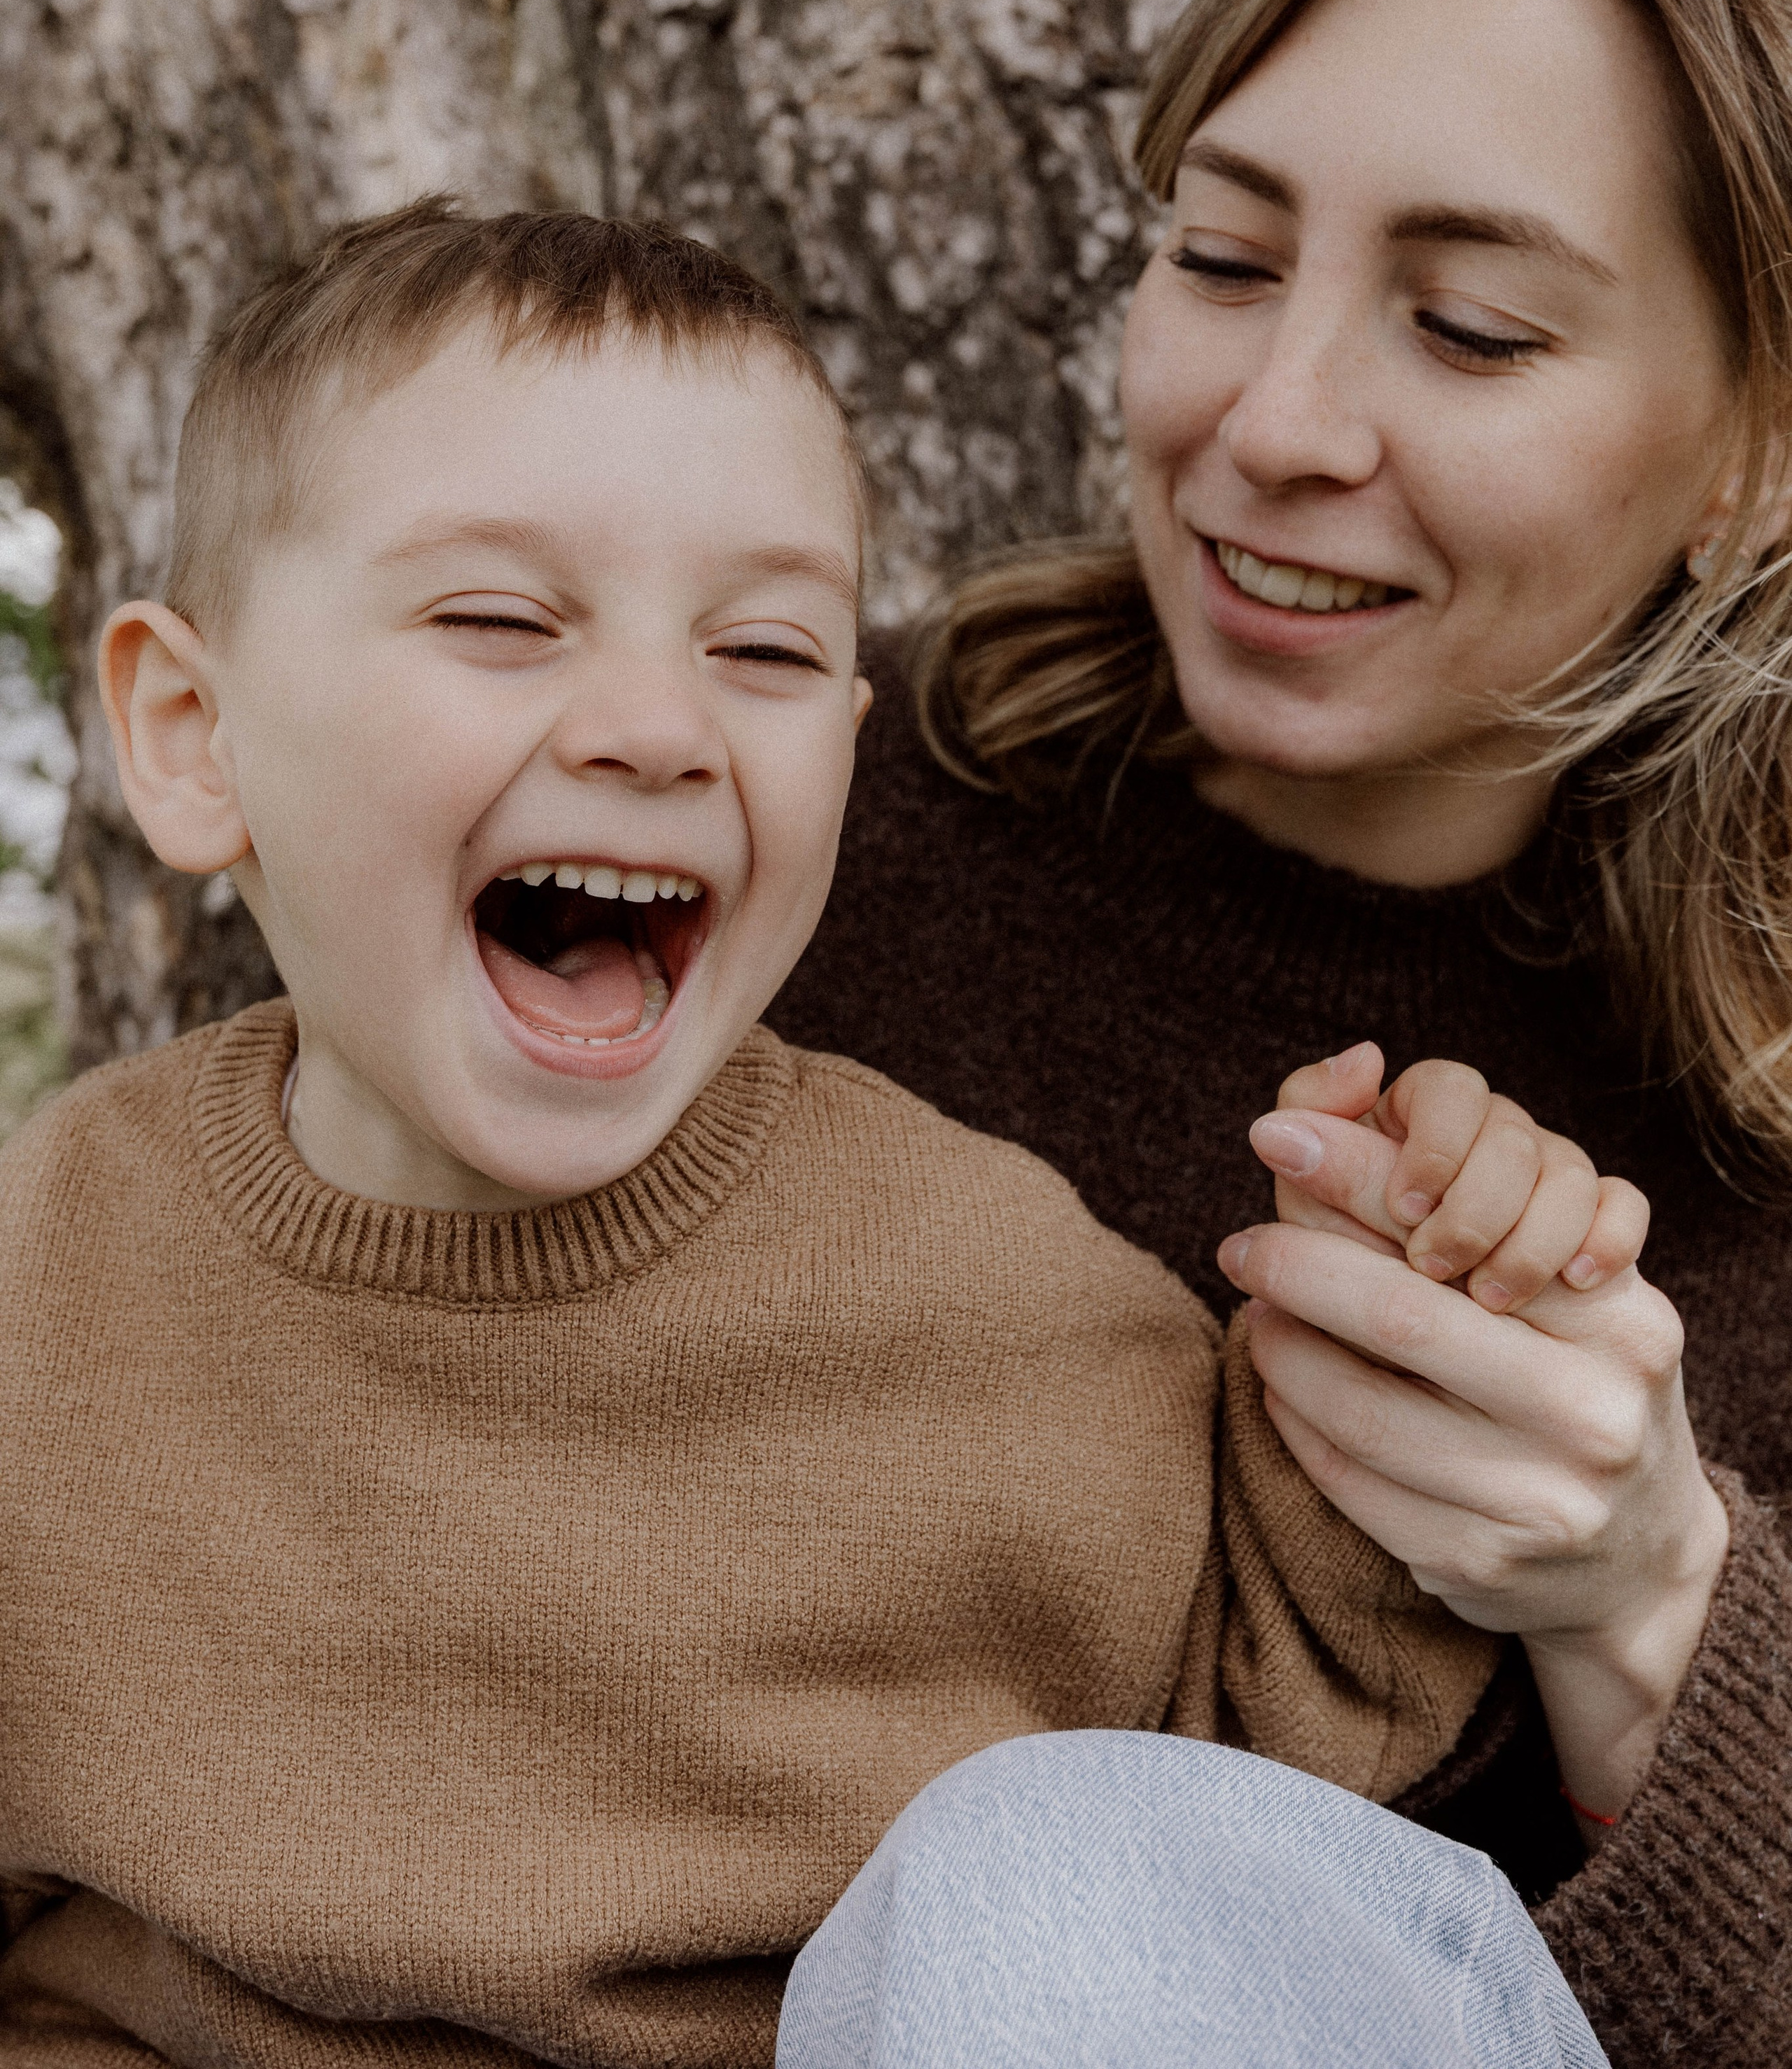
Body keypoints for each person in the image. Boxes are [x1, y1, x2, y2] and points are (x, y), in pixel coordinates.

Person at [0, 202, 1612, 2063]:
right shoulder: (52, 1291)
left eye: (762, 653)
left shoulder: (988, 1298)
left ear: (848, 745)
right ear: (194, 736)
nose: (657, 726)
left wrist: (1410, 1321)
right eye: (503, 620)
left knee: (1057, 1871)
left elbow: (1282, 1801)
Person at [770, 0, 1792, 2068]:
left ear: (1753, 447)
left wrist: (1643, 1595)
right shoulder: (775, 826)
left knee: (1069, 1879)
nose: (1276, 421)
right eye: (1220, 259)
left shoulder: (1756, 1116)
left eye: (1471, 327)